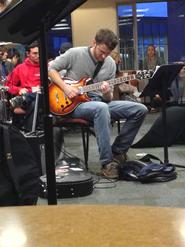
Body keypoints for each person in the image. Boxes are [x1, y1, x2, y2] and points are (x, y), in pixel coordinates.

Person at [48, 28, 148, 179]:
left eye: (107, 53)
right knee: (101, 109)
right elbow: (51, 69)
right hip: (74, 104)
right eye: (101, 51)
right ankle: (107, 164)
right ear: (94, 42)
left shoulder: (110, 64)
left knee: (140, 109)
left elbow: (107, 100)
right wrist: (66, 88)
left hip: (98, 102)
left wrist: (107, 91)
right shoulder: (75, 53)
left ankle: (117, 152)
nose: (104, 56)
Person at [5, 41, 41, 131]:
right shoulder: (20, 68)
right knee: (33, 102)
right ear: (27, 54)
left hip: (42, 98)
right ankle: (31, 132)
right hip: (29, 100)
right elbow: (8, 86)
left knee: (38, 96)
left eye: (39, 53)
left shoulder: (46, 67)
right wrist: (19, 90)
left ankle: (29, 132)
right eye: (35, 53)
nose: (38, 55)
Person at [143, 45, 165, 112]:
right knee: (151, 83)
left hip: (159, 77)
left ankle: (153, 105)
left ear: (154, 51)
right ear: (147, 51)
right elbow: (144, 69)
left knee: (152, 84)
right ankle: (157, 97)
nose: (150, 51)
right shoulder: (145, 59)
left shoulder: (159, 58)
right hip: (150, 76)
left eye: (152, 49)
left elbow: (162, 67)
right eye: (149, 50)